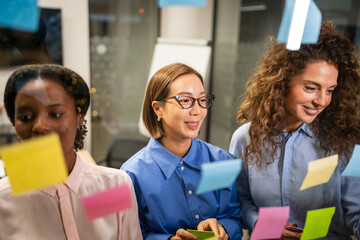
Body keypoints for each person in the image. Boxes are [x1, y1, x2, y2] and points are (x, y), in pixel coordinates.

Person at [230, 21, 360, 239]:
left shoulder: (346, 144)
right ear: (282, 81)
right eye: (311, 88)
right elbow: (238, 201)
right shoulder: (245, 138)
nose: (321, 101)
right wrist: (263, 224)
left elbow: (357, 213)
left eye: (330, 90)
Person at [0, 64, 142, 240]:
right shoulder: (3, 200)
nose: (39, 126)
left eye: (55, 114)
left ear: (79, 116)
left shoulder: (113, 186)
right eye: (25, 117)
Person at [121, 63, 242, 240]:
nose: (197, 111)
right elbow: (129, 234)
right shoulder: (132, 174)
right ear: (157, 109)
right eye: (185, 100)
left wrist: (223, 228)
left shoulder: (222, 161)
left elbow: (234, 217)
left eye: (202, 100)